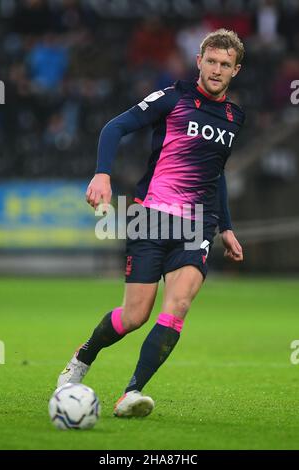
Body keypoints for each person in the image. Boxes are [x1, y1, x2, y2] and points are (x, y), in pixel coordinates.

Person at [57, 29, 245, 418]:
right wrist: (102, 174)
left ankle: (132, 392)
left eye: (225, 64)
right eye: (211, 61)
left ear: (236, 70)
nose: (216, 69)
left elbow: (217, 172)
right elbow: (115, 127)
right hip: (150, 218)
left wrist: (225, 226)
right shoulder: (172, 97)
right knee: (134, 316)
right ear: (199, 61)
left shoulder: (233, 117)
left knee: (177, 306)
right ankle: (82, 357)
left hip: (197, 224)